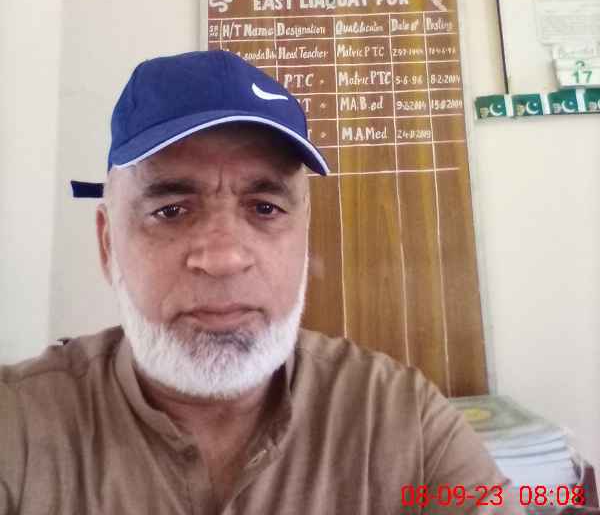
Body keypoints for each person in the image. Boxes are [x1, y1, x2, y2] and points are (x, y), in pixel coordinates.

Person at [0, 51, 522, 514]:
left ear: (304, 238)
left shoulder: (402, 422)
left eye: (265, 208)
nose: (224, 258)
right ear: (107, 244)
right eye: (171, 210)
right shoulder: (16, 427)